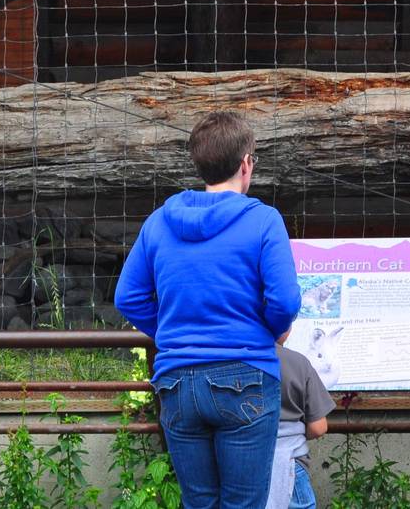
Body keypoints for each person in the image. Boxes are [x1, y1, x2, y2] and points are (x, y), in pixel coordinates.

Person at [114, 111, 301, 509]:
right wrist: (271, 330)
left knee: (198, 502)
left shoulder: (159, 223)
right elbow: (285, 300)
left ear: (200, 164)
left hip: (178, 382)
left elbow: (127, 297)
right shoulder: (264, 221)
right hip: (246, 376)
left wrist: (168, 332)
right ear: (246, 163)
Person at [267, 330, 335, 509]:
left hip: (239, 460)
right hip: (289, 462)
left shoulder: (231, 363)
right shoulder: (297, 362)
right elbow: (318, 427)